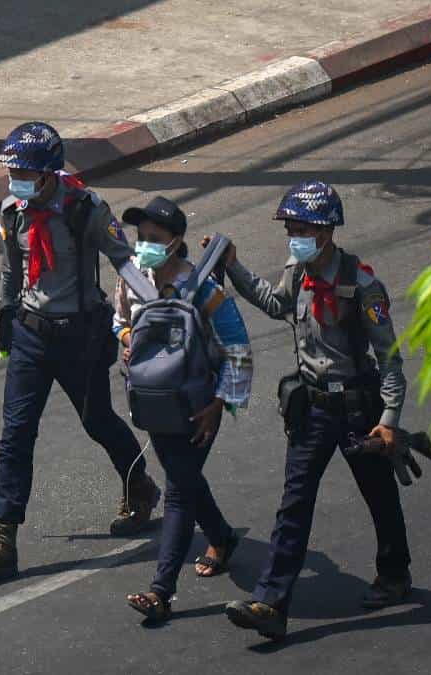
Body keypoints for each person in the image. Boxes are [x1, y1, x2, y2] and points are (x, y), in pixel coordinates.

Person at [0, 122, 160, 580]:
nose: (18, 182)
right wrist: (7, 318)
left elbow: (122, 259)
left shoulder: (85, 208)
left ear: (49, 174)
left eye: (26, 173)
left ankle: (139, 485)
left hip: (80, 335)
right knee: (16, 433)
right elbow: (11, 272)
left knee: (97, 420)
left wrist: (154, 305)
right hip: (31, 334)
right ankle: (2, 538)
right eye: (14, 173)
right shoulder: (12, 211)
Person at [211, 180, 413, 640]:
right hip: (314, 406)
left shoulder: (363, 285)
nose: (293, 237)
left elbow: (391, 360)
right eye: (290, 229)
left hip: (360, 408)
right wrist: (234, 267)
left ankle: (395, 574)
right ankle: (271, 602)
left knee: (379, 494)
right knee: (294, 504)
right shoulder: (296, 271)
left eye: (300, 229)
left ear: (324, 232)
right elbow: (275, 304)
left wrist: (388, 422)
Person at [113, 196, 253, 622]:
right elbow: (116, 320)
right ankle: (223, 537)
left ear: (176, 243)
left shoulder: (204, 288)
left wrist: (221, 404)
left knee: (177, 489)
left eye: (154, 238)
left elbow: (239, 349)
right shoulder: (129, 281)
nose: (144, 246)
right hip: (153, 404)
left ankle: (161, 592)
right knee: (185, 478)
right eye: (141, 238)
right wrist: (125, 339)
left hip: (198, 406)